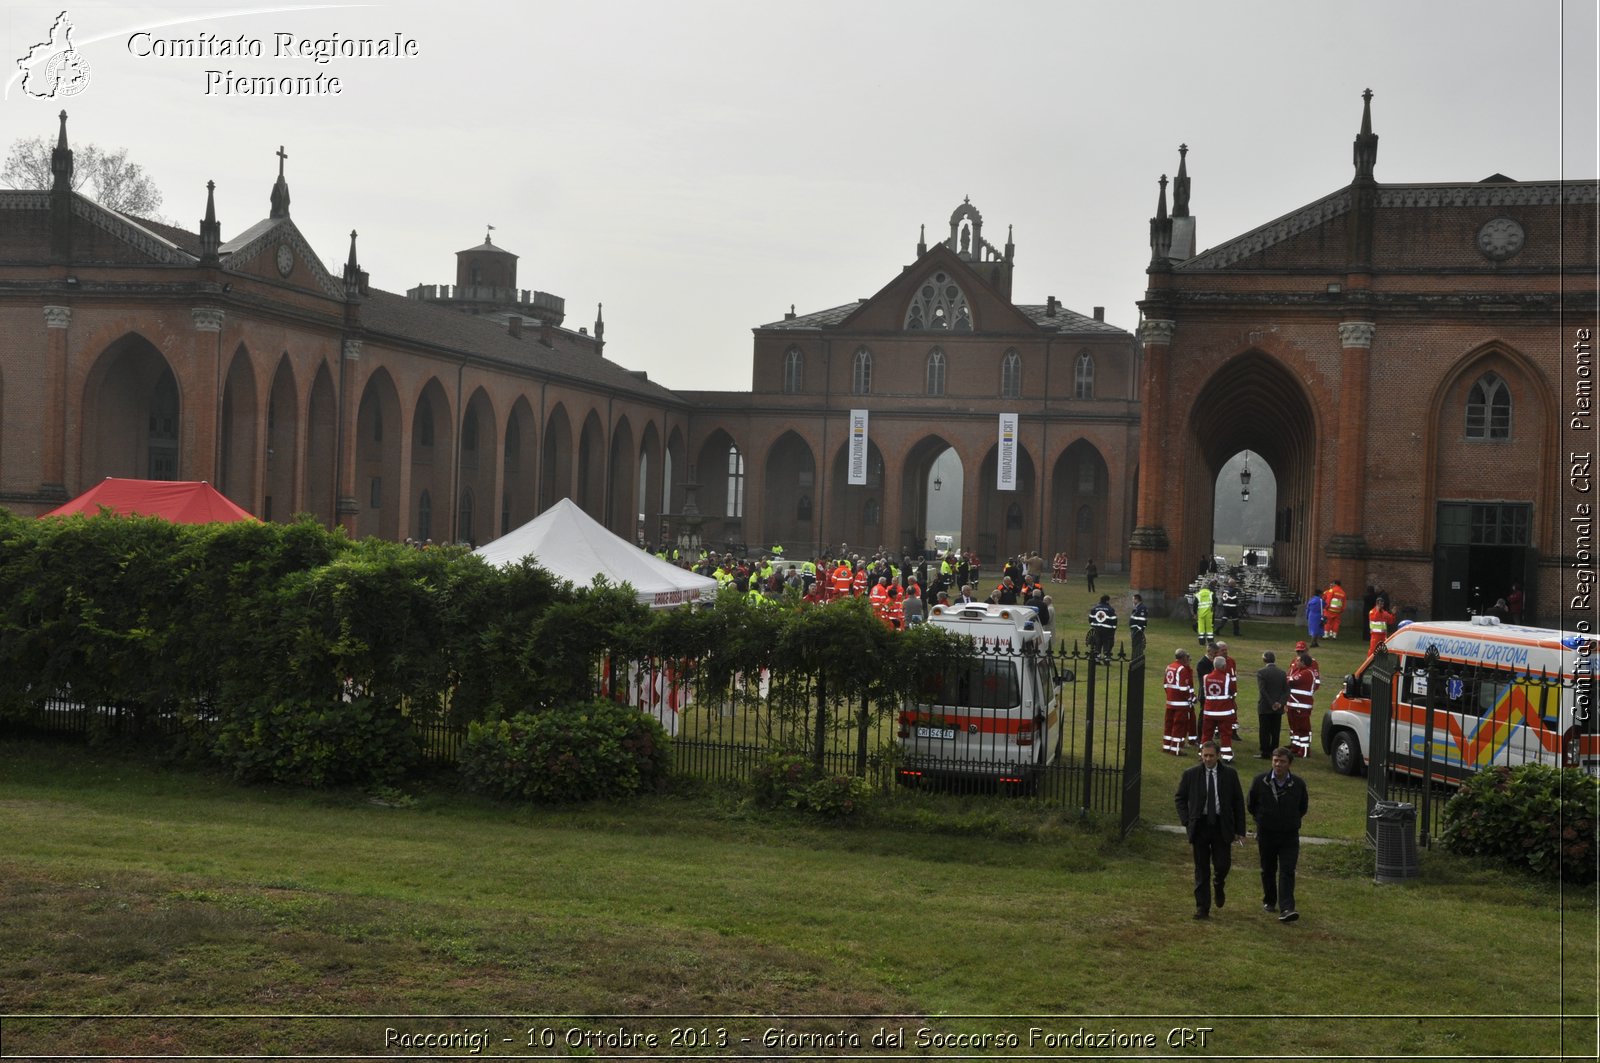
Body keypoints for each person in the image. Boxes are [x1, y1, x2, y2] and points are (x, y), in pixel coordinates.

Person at [1175, 740, 1246, 920]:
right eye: (1204, 755)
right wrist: (1187, 820)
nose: (1207, 759)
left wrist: (1240, 830)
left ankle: (1219, 882)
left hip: (1222, 825)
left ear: (1218, 756)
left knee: (1222, 864)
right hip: (1200, 826)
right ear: (1200, 755)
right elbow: (1180, 798)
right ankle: (1202, 907)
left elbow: (1238, 802)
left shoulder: (1230, 774)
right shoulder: (1191, 774)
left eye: (1211, 756)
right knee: (1201, 868)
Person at [1248, 747, 1308, 923]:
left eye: (1282, 761)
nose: (1278, 764)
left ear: (1289, 764)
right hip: (1267, 834)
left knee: (1287, 870)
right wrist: (1262, 819)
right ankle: (1269, 900)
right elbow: (1251, 804)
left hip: (1289, 835)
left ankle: (1287, 907)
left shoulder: (1298, 784)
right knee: (1268, 869)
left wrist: (1291, 819)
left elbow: (1302, 807)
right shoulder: (1260, 781)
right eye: (1275, 760)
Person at [1199, 655, 1239, 762]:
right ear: (1224, 666)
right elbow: (1233, 692)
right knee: (1225, 735)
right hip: (1224, 712)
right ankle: (1226, 756)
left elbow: (1204, 692)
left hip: (1209, 711)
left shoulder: (1206, 677)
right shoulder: (1227, 678)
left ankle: (1202, 754)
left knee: (1206, 734)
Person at [1255, 650, 1290, 758]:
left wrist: (1271, 703)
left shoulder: (1261, 672)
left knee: (1264, 730)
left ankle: (1265, 752)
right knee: (1275, 730)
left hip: (1265, 706)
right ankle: (1275, 751)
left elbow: (1263, 690)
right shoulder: (1282, 673)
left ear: (1264, 659)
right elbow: (1286, 691)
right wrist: (1280, 703)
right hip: (1278, 708)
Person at [1286, 648, 1319, 757]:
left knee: (1303, 728)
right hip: (1295, 704)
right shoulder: (1301, 671)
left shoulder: (1306, 673)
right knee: (1295, 727)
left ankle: (1304, 750)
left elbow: (1290, 681)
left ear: (1303, 663)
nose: (1296, 662)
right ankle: (1296, 747)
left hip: (1301, 706)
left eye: (1298, 661)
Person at [1163, 649, 1196, 756]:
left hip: (1170, 702)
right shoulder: (1182, 669)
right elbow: (1184, 688)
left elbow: (1165, 685)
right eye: (1187, 657)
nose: (1188, 659)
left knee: (1168, 724)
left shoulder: (1169, 667)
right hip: (1181, 704)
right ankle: (1175, 749)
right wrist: (1191, 698)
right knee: (1178, 726)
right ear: (1183, 658)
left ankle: (1166, 746)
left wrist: (1170, 696)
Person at [1088, 594, 1118, 663]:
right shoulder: (1110, 609)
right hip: (1107, 630)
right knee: (1106, 643)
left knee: (1097, 643)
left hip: (1096, 628)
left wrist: (1093, 625)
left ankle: (1096, 658)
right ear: (1107, 601)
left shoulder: (1095, 608)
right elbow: (1114, 620)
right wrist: (1113, 629)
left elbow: (1090, 619)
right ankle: (1106, 657)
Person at [1195, 581, 1215, 646]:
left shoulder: (1198, 594)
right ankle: (1210, 641)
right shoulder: (1210, 594)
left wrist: (1195, 613)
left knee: (1201, 628)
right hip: (1209, 613)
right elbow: (1216, 600)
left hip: (1200, 614)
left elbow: (1195, 604)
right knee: (1209, 628)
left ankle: (1201, 642)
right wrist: (1213, 606)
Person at [1129, 593, 1148, 657]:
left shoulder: (1142, 608)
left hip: (1137, 630)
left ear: (1137, 600)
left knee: (1137, 644)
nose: (1133, 601)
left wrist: (1138, 629)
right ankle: (1135, 657)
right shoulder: (1137, 608)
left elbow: (1142, 620)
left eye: (1133, 599)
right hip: (1134, 629)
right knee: (1134, 644)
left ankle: (1136, 657)